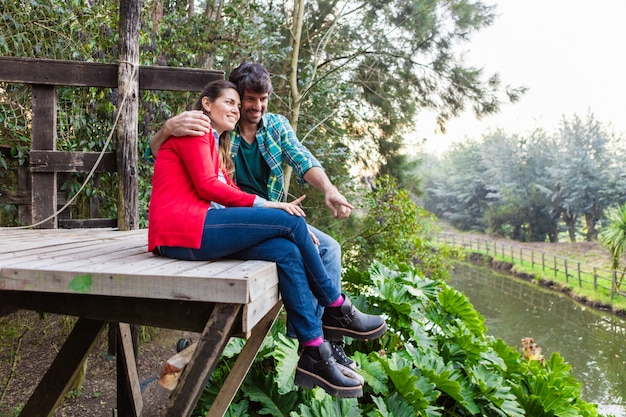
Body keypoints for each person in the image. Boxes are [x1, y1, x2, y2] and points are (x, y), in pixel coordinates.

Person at [148, 79, 387, 398]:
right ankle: (337, 306)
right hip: (182, 230)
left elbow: (291, 159)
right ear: (207, 104)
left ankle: (314, 351)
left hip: (196, 229)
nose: (236, 109)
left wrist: (308, 195)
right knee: (288, 220)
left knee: (286, 250)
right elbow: (206, 186)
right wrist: (271, 206)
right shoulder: (196, 127)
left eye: (238, 103)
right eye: (230, 102)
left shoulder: (219, 141)